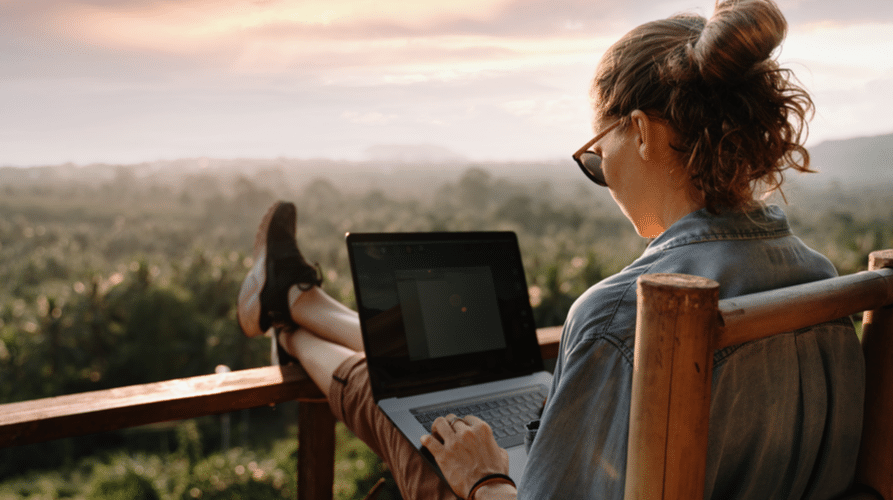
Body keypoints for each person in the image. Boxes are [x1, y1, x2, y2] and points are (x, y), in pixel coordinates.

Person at [237, 0, 865, 498]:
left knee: (408, 413)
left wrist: (484, 477)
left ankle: (288, 322)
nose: (604, 175)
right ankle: (297, 303)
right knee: (429, 387)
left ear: (642, 132)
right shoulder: (822, 283)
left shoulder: (626, 314)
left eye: (598, 153)